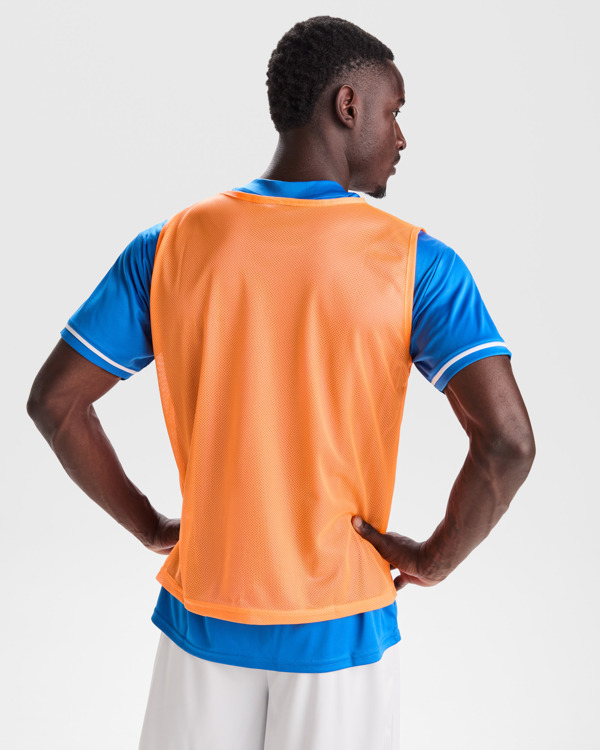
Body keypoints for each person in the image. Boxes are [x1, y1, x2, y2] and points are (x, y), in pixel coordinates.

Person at [26, 15, 535, 750]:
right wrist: (434, 558)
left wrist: (152, 527)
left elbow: (56, 403)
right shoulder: (416, 263)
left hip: (203, 614)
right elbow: (508, 444)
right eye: (394, 111)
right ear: (347, 104)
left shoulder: (169, 247)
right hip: (341, 628)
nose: (401, 137)